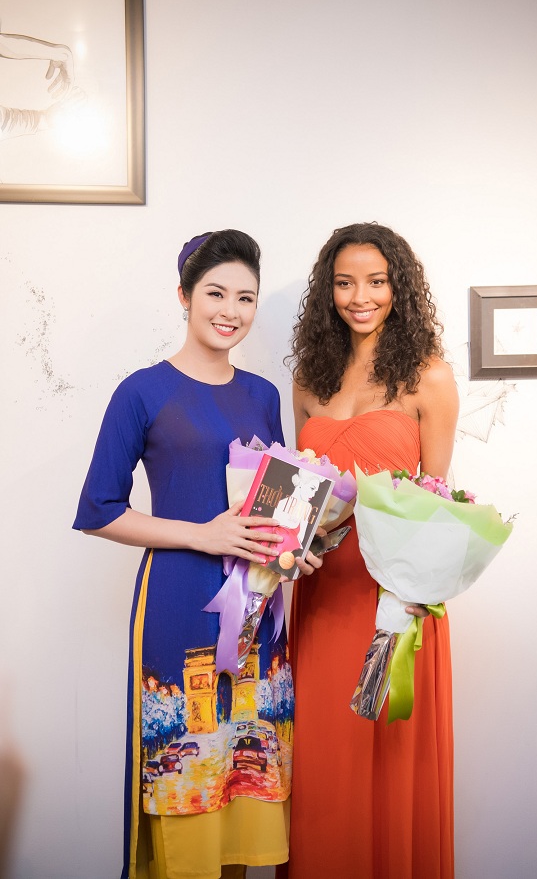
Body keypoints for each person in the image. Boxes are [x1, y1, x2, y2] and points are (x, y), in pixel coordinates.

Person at [73, 230, 320, 879]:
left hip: (259, 605)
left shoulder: (264, 395)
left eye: (246, 297)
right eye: (216, 293)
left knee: (244, 771)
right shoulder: (142, 391)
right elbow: (99, 508)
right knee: (187, 765)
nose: (230, 310)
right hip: (178, 599)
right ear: (184, 296)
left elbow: (270, 500)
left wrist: (296, 546)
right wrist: (200, 534)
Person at [279, 222, 459, 879]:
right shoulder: (308, 379)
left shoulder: (429, 377)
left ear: (398, 287)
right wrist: (283, 549)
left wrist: (410, 596)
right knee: (324, 757)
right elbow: (300, 494)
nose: (361, 297)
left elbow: (437, 499)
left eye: (377, 281)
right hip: (322, 594)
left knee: (385, 756)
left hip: (394, 599)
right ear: (327, 291)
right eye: (345, 282)